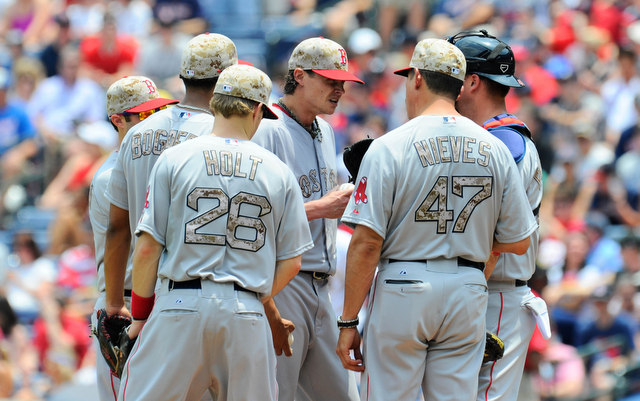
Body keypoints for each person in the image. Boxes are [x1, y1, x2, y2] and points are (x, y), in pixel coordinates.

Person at [336, 38, 537, 401]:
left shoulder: (390, 145)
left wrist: (349, 320)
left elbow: (366, 243)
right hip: (468, 288)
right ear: (460, 85)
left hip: (404, 284)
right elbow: (519, 240)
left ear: (416, 78)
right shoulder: (495, 147)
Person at [118, 64, 313, 401]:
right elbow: (292, 262)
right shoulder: (278, 171)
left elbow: (147, 249)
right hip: (246, 312)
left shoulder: (174, 158)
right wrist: (256, 295)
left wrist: (139, 317)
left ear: (215, 104)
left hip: (180, 304)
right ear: (256, 110)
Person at [252, 36, 363, 401]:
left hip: (322, 285)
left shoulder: (326, 129)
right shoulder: (267, 127)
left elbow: (327, 203)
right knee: (278, 393)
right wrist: (320, 207)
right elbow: (254, 215)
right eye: (330, 80)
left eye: (342, 81)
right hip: (285, 282)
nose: (340, 89)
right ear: (299, 75)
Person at [104, 33, 238, 323]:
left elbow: (116, 227)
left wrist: (114, 302)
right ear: (228, 77)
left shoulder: (137, 132)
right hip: (199, 291)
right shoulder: (219, 134)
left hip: (137, 293)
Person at [450, 30, 545, 401]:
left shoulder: (507, 144)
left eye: (452, 76)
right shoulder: (487, 138)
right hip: (479, 292)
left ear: (471, 82)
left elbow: (497, 238)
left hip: (495, 297)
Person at [88, 75, 177, 401]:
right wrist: (115, 305)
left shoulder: (153, 168)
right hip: (121, 304)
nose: (152, 120)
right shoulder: (112, 175)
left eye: (157, 111)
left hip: (152, 301)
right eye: (143, 114)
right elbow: (124, 235)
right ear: (117, 120)